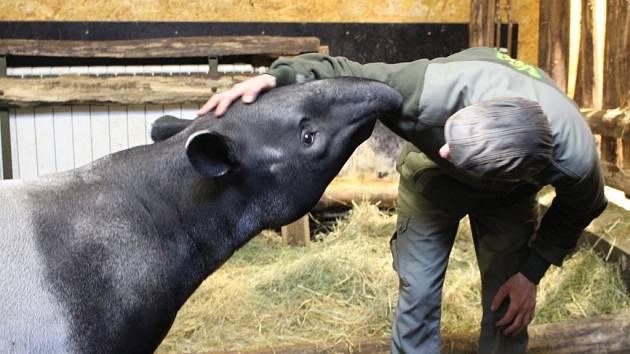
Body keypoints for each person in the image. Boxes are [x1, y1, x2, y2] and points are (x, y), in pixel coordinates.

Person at [198, 47, 607, 354]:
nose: (450, 151)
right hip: (432, 176)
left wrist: (531, 274)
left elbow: (580, 208)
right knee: (419, 293)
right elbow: (345, 73)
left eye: (462, 155)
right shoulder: (427, 92)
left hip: (509, 198)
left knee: (508, 308)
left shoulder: (575, 162)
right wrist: (280, 76)